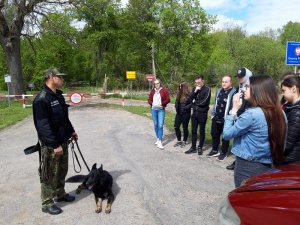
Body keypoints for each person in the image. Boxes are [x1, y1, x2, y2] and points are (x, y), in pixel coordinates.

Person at [223, 75, 286, 187]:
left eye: (247, 86)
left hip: (248, 166)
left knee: (243, 198)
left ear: (257, 90)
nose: (244, 89)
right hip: (271, 164)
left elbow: (227, 134)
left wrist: (233, 110)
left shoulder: (251, 114)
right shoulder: (281, 113)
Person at [33, 68, 78, 215]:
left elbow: (64, 119)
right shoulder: (42, 99)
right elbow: (43, 126)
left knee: (62, 170)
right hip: (52, 145)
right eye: (61, 77)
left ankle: (60, 194)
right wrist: (55, 144)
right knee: (49, 174)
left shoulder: (58, 96)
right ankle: (46, 203)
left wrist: (71, 131)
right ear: (52, 77)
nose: (63, 80)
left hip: (63, 140)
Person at [226, 67, 252, 170]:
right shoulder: (239, 87)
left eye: (241, 77)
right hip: (238, 115)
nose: (239, 79)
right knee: (238, 139)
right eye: (238, 77)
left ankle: (241, 162)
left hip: (246, 116)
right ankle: (237, 161)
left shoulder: (251, 88)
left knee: (245, 140)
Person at [208, 75, 236, 160]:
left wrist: (231, 117)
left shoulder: (234, 92)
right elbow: (215, 103)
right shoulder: (219, 90)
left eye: (226, 82)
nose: (223, 83)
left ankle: (224, 152)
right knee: (214, 134)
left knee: (225, 136)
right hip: (216, 117)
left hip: (226, 119)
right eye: (223, 82)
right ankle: (214, 150)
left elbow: (234, 106)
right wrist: (213, 114)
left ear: (230, 82)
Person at [185, 76, 211, 155]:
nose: (197, 84)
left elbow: (205, 102)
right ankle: (193, 147)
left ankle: (200, 147)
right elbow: (189, 99)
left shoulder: (207, 89)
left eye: (199, 82)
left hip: (202, 113)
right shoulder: (194, 89)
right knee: (193, 131)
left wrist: (194, 103)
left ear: (203, 81)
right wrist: (195, 91)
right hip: (195, 113)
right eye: (196, 83)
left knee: (201, 131)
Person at [281, 76, 300, 164]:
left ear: (293, 89)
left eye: (284, 91)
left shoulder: (297, 112)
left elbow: (287, 143)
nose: (282, 94)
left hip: (292, 159)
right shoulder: (290, 106)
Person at [148, 79, 170, 150]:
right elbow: (149, 100)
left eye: (157, 83)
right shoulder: (152, 91)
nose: (156, 85)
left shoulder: (164, 90)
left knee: (160, 125)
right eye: (155, 84)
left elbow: (168, 99)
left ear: (160, 83)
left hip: (161, 110)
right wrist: (152, 104)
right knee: (156, 125)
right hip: (154, 110)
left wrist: (161, 104)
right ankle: (158, 138)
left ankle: (160, 141)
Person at [174, 81, 192, 147]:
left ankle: (184, 140)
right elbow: (176, 102)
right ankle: (179, 141)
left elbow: (191, 104)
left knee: (185, 127)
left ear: (184, 87)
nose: (180, 87)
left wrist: (185, 107)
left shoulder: (189, 94)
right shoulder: (179, 94)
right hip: (178, 113)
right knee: (176, 126)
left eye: (181, 86)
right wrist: (176, 106)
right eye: (179, 86)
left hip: (186, 113)